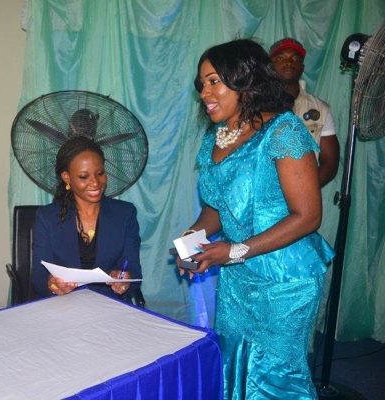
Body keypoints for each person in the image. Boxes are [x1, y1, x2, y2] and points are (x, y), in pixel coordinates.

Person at [181, 39, 335, 399]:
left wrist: (233, 251)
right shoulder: (215, 137)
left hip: (286, 280)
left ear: (244, 80)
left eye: (214, 81)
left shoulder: (284, 131)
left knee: (276, 375)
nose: (205, 92)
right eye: (201, 83)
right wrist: (189, 241)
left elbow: (308, 216)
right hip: (239, 279)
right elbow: (217, 210)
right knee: (237, 365)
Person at [31, 135, 142, 299]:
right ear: (67, 177)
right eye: (84, 176)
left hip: (110, 306)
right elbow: (39, 277)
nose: (96, 183)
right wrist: (52, 283)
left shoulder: (125, 214)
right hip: (63, 305)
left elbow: (133, 270)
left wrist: (125, 280)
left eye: (100, 173)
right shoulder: (46, 218)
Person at [270, 37, 340, 186]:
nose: (289, 62)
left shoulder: (320, 109)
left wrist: (304, 191)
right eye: (281, 58)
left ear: (302, 67)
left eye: (295, 58)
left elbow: (330, 163)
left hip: (303, 198)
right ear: (270, 66)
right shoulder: (256, 105)